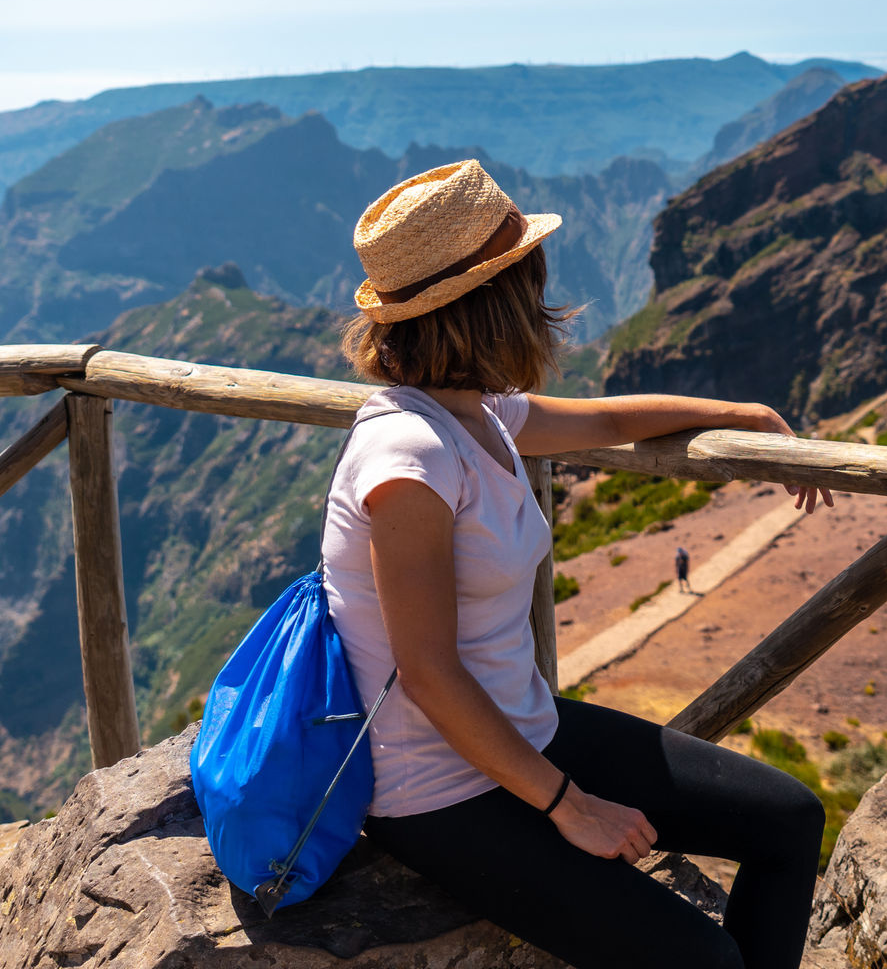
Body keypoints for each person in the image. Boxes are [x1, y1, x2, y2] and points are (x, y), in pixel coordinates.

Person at [321, 160, 833, 969]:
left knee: (790, 821)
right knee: (704, 962)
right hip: (437, 790)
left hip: (522, 730)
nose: (544, 304)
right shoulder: (407, 456)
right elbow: (426, 672)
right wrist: (570, 805)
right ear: (491, 305)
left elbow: (603, 418)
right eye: (528, 283)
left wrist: (744, 415)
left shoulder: (476, 412)